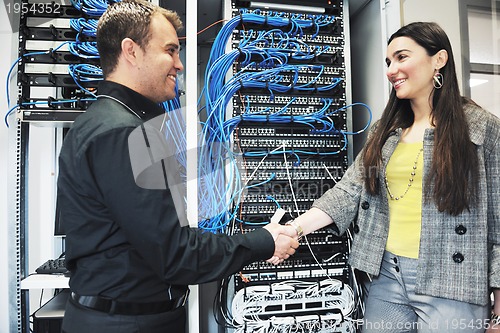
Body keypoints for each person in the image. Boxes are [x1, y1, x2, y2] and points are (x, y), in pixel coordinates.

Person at [57, 1, 298, 332]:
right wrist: (264, 241)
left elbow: (158, 237)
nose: (180, 64)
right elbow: (174, 253)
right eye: (170, 51)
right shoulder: (124, 132)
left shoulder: (112, 122)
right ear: (131, 51)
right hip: (124, 323)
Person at [282, 22, 500, 332]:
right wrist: (293, 229)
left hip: (453, 282)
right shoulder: (385, 132)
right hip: (387, 275)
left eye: (401, 57)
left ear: (439, 59)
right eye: (388, 62)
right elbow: (347, 192)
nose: (391, 69)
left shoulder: (481, 128)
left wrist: (499, 315)